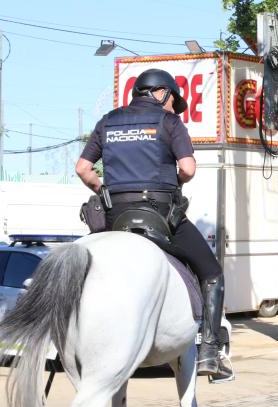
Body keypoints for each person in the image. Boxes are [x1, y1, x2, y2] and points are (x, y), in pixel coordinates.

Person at [75, 68, 223, 376]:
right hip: (160, 214)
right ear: (162, 93)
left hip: (117, 216)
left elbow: (83, 168)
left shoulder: (108, 122)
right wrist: (172, 177)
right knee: (211, 271)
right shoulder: (169, 122)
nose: (173, 107)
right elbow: (188, 168)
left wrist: (104, 189)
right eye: (173, 101)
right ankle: (209, 349)